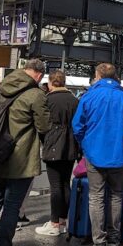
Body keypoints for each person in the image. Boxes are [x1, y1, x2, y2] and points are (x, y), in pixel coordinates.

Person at [0, 59, 50, 246]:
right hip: (20, 157)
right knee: (11, 206)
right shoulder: (36, 94)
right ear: (38, 74)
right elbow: (44, 126)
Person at [72, 63, 123, 246]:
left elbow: (77, 126)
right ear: (116, 77)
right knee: (116, 195)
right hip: (119, 155)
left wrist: (85, 143)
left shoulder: (88, 97)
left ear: (97, 75)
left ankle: (99, 243)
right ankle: (113, 238)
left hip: (94, 155)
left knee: (96, 196)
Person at [36, 70, 79, 237]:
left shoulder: (47, 100)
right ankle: (63, 221)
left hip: (53, 144)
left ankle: (54, 224)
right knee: (65, 183)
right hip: (70, 145)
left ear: (51, 83)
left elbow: (42, 125)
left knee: (55, 186)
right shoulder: (74, 100)